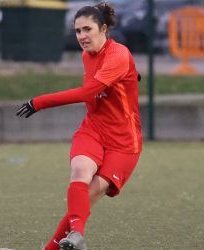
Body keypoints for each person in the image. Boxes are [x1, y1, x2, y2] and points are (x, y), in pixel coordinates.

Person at [16, 2, 142, 250]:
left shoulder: (118, 54)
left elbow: (88, 92)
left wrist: (38, 102)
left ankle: (53, 247)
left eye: (87, 29)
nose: (82, 36)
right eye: (77, 31)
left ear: (103, 29)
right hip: (93, 129)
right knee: (79, 173)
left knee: (91, 194)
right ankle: (76, 237)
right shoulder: (87, 55)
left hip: (124, 141)